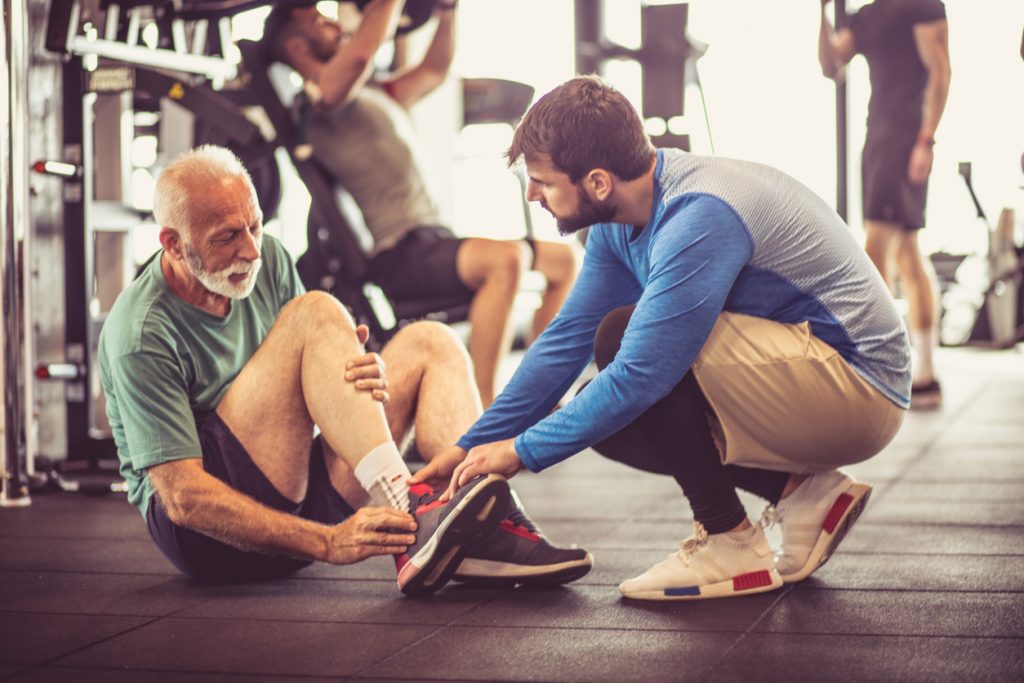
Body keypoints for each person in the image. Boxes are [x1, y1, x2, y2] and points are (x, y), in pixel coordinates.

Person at [412, 75, 911, 601]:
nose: (533, 193)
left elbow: (641, 373)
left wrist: (520, 452)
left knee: (625, 347)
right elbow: (566, 338)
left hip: (860, 388)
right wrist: (472, 444)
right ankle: (803, 494)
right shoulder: (621, 218)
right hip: (813, 370)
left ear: (598, 182)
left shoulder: (698, 215)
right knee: (598, 414)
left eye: (543, 181)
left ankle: (731, 542)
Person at [98, 145, 591, 595]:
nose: (250, 249)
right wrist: (326, 543)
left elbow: (303, 389)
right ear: (174, 244)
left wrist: (355, 374)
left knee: (431, 343)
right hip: (212, 539)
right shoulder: (140, 332)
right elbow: (182, 499)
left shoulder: (265, 258)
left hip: (295, 489)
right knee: (314, 312)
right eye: (228, 237)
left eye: (254, 225)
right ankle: (409, 509)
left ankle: (488, 521)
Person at [262, 0, 582, 407]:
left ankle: (538, 397)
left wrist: (447, 9)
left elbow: (435, 70)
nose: (331, 23)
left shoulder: (371, 91)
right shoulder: (317, 103)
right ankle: (482, 410)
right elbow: (359, 55)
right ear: (295, 47)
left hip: (431, 240)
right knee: (507, 261)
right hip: (400, 252)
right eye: (318, 21)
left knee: (564, 261)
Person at [818, 0, 951, 408]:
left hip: (905, 137)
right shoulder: (868, 15)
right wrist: (819, 13)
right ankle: (925, 375)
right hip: (877, 136)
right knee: (908, 256)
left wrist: (925, 140)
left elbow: (940, 70)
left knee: (875, 251)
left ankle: (877, 370)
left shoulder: (921, 4)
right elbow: (831, 65)